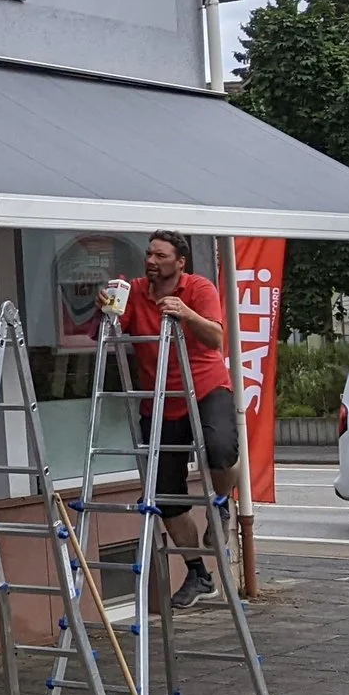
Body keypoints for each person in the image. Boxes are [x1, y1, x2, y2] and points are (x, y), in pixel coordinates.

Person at [120, 231, 237, 609]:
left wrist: (186, 313)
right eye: (148, 254)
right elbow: (106, 331)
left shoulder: (198, 288)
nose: (151, 261)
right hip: (159, 401)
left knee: (221, 448)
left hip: (205, 387)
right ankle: (198, 574)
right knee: (166, 497)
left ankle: (221, 502)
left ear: (180, 261)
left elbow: (216, 338)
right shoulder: (136, 291)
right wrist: (107, 306)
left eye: (160, 255)